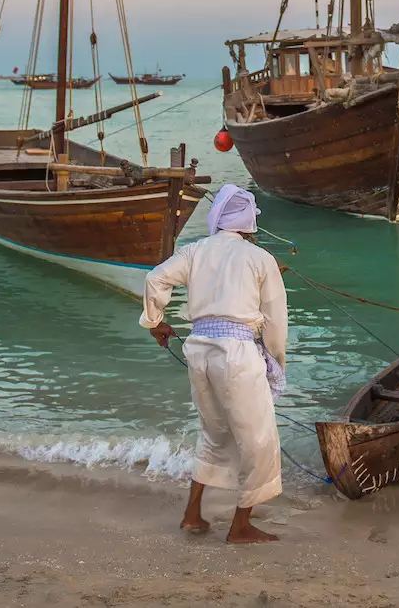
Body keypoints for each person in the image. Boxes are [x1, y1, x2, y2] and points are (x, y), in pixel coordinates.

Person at [140, 184, 288, 544]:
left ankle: (193, 514)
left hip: (200, 350)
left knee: (213, 433)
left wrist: (154, 322)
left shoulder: (195, 250)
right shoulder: (261, 259)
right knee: (259, 441)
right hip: (237, 355)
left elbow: (155, 277)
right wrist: (276, 361)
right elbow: (275, 321)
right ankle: (240, 527)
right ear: (249, 223)